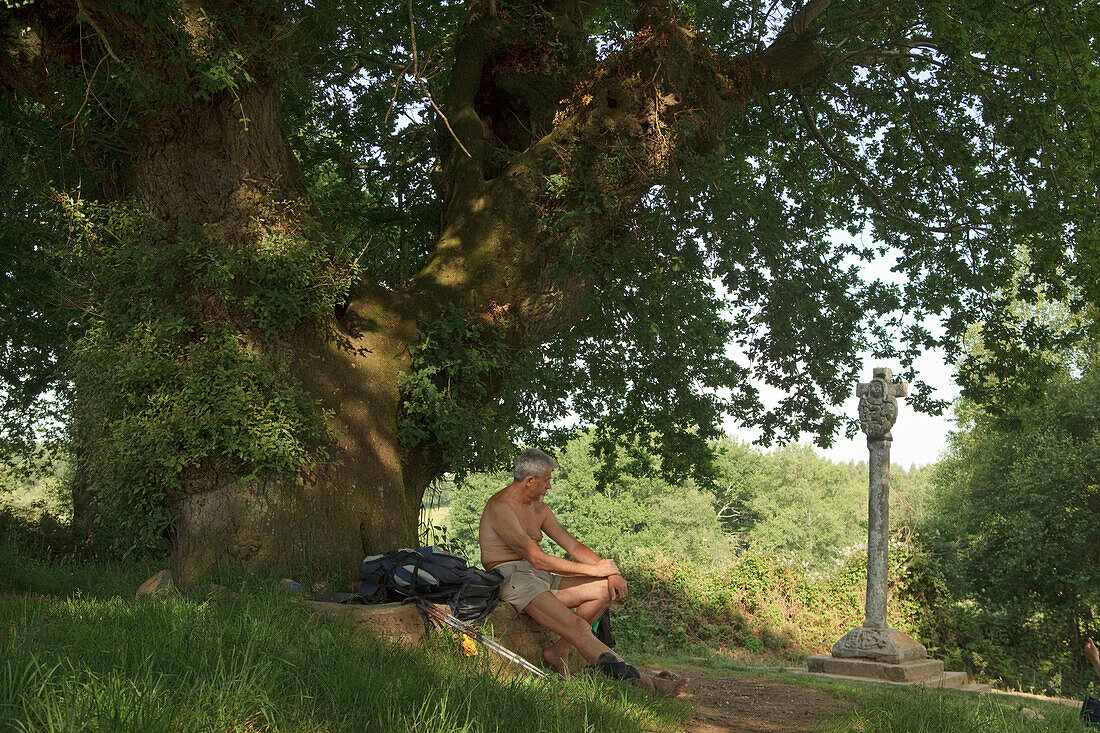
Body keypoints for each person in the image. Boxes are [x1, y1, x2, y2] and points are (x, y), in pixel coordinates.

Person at [478, 448, 688, 696]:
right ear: (530, 481)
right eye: (547, 480)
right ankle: (647, 684)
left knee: (603, 589)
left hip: (538, 575)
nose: (550, 487)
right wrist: (593, 569)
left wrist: (610, 573)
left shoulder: (539, 510)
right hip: (513, 577)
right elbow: (536, 558)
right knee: (578, 625)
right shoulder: (500, 507)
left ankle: (559, 651)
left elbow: (574, 546)